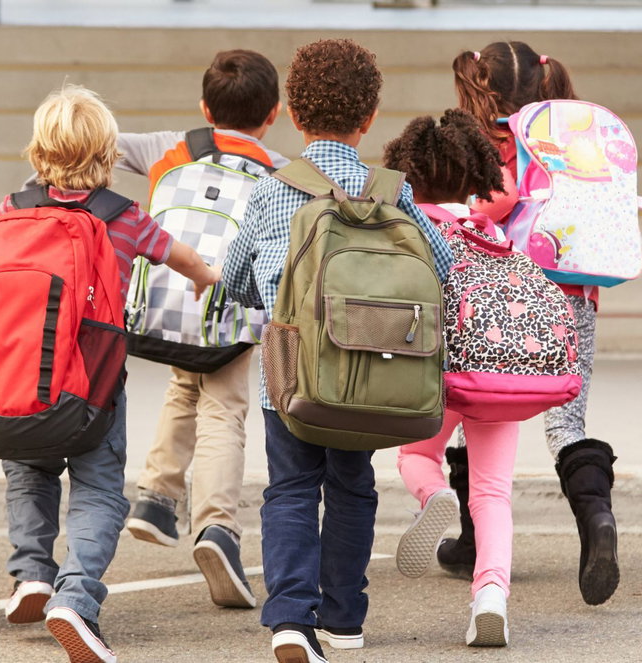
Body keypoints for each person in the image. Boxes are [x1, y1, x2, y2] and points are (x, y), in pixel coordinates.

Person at [0, 84, 221, 663]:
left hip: (17, 384)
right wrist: (205, 276)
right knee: (100, 489)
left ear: (38, 151)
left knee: (29, 474)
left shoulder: (11, 209)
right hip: (92, 392)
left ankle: (30, 573)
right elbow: (179, 256)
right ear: (107, 154)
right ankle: (75, 598)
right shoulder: (123, 218)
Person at [223, 39, 454, 663]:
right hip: (373, 374)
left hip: (293, 375)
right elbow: (444, 266)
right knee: (352, 486)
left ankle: (291, 620)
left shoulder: (275, 190)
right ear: (369, 117)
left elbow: (235, 278)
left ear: (294, 114)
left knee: (290, 488)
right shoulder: (391, 191)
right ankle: (345, 619)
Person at [447, 40, 622, 608]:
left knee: (474, 409)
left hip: (502, 298)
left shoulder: (483, 145)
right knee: (566, 424)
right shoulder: (570, 140)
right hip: (571, 296)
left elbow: (493, 203)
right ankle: (596, 518)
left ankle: (477, 540)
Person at [115, 48, 288, 610]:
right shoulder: (280, 170)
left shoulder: (170, 148)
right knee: (224, 412)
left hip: (165, 303)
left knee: (184, 382)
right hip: (229, 307)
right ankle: (218, 529)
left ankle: (157, 496)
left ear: (203, 108)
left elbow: (101, 141)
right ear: (274, 114)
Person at [384, 109, 537, 647]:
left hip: (432, 373)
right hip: (496, 376)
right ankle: (490, 597)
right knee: (493, 491)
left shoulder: (407, 226)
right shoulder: (493, 231)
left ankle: (432, 498)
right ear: (474, 175)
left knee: (418, 457)